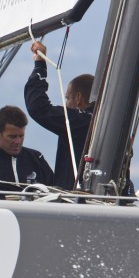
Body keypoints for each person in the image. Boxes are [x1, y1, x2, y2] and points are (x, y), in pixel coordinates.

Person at [24, 41, 93, 191]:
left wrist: (40, 65)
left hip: (76, 199)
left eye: (67, 98)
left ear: (78, 98)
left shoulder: (81, 121)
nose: (66, 103)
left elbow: (38, 107)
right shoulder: (109, 122)